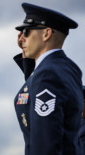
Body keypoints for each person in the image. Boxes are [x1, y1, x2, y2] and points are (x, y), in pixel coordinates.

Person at [13, 3, 83, 155]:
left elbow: (45, 142)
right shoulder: (68, 68)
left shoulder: (47, 74)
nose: (22, 38)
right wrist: (28, 59)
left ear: (46, 34)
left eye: (26, 31)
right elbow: (35, 87)